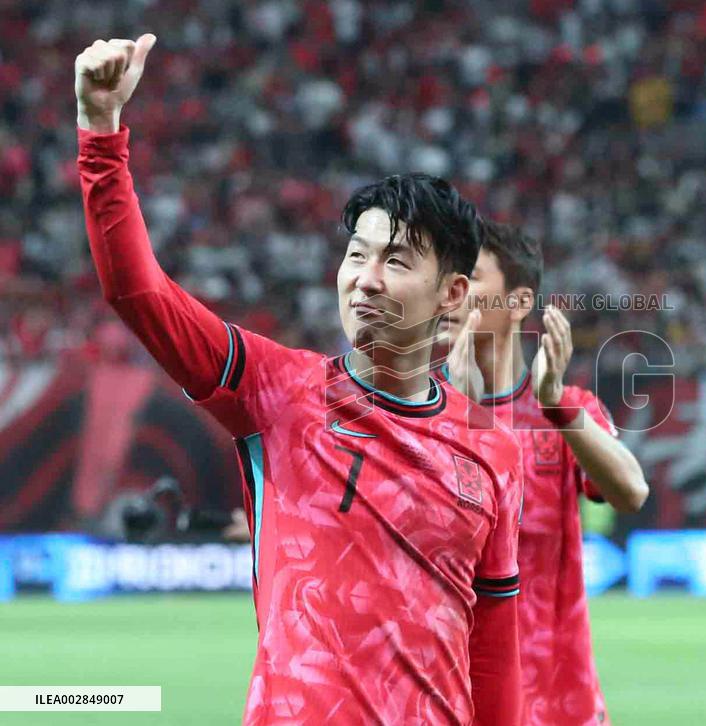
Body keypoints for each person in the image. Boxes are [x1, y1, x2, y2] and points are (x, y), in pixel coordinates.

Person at [76, 34, 524, 725]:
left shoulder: (493, 451)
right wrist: (101, 134)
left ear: (455, 293)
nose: (366, 281)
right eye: (355, 255)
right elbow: (138, 292)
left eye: (398, 262)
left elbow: (493, 650)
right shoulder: (276, 390)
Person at [439, 221, 648, 724]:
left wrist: (556, 406)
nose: (450, 292)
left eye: (470, 276)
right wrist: (460, 413)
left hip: (557, 703)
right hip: (449, 696)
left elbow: (631, 491)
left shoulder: (566, 410)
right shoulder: (415, 411)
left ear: (518, 302)